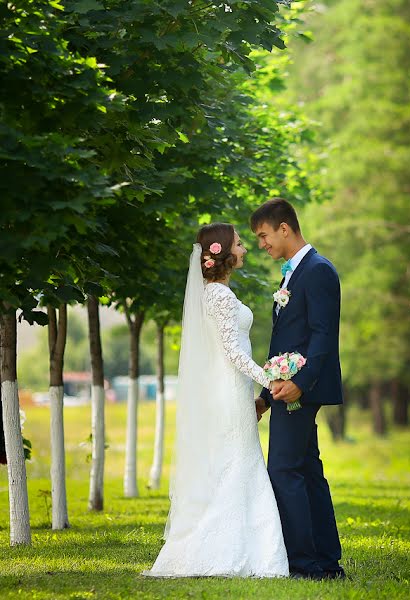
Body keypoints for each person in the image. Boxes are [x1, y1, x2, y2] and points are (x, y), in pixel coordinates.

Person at [145, 223, 288, 578]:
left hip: (233, 391)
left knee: (235, 462)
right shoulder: (220, 297)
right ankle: (237, 552)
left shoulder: (215, 294)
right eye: (239, 244)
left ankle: (247, 548)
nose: (245, 248)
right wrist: (272, 379)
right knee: (238, 462)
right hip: (230, 390)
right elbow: (233, 354)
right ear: (222, 253)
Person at [252, 198, 346, 580]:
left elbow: (324, 336)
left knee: (283, 470)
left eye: (264, 236)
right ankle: (325, 563)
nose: (262, 244)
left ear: (284, 229)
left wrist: (299, 385)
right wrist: (264, 395)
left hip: (301, 390)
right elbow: (285, 342)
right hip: (286, 390)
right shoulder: (291, 274)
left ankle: (305, 565)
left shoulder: (319, 270)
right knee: (307, 471)